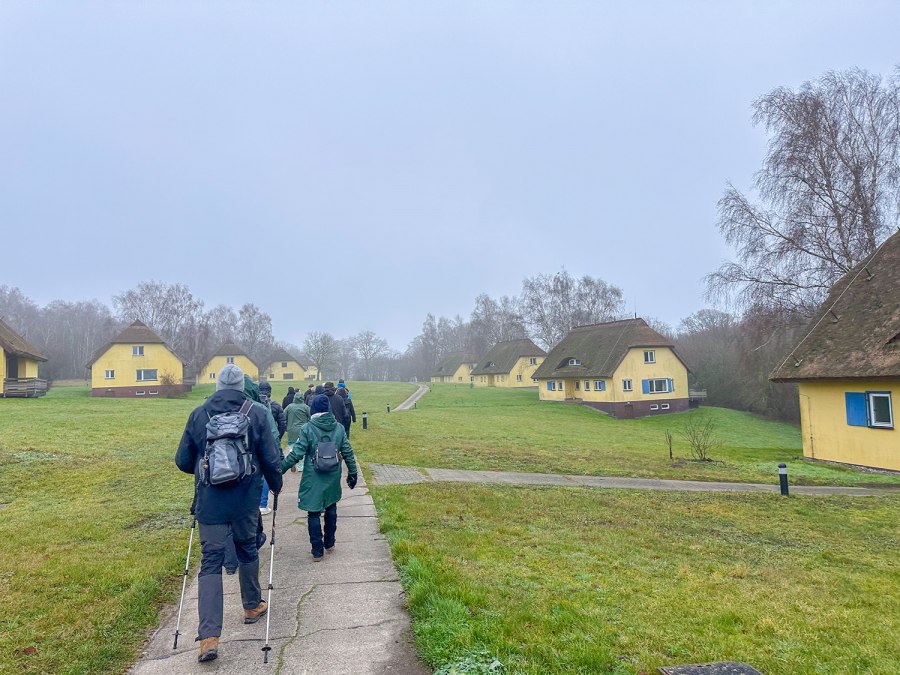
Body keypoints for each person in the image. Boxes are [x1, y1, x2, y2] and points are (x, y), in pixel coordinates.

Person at [175, 364, 283, 663]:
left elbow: (183, 460)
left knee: (210, 563)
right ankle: (251, 606)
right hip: (245, 500)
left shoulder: (199, 414)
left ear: (218, 386)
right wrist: (276, 486)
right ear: (241, 388)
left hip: (210, 503)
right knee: (247, 549)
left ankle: (208, 638)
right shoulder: (257, 412)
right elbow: (271, 458)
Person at [280, 394, 358, 560]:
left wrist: (280, 469)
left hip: (313, 475)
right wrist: (353, 472)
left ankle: (317, 551)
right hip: (333, 473)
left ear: (314, 409)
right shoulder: (338, 428)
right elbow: (348, 452)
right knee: (331, 505)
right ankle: (329, 543)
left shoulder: (308, 428)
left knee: (313, 513)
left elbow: (297, 453)